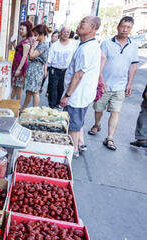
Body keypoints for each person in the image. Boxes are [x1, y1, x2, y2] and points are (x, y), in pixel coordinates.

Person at [87, 16, 139, 151]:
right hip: (104, 84)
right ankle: (97, 124)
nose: (125, 29)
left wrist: (129, 84)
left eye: (128, 27)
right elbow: (99, 63)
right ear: (118, 27)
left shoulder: (133, 46)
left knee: (115, 111)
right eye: (123, 26)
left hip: (120, 86)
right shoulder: (106, 43)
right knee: (98, 108)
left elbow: (133, 66)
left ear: (131, 29)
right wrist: (101, 81)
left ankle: (109, 138)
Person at [60, 16, 102, 159]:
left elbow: (78, 75)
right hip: (83, 93)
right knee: (79, 121)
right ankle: (81, 143)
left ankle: (74, 150)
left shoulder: (87, 49)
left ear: (93, 28)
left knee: (73, 124)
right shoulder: (87, 44)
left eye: (83, 23)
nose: (79, 25)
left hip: (78, 94)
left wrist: (67, 95)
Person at [45, 27, 77, 109]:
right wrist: (45, 70)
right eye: (64, 32)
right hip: (54, 69)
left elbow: (75, 58)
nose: (66, 34)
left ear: (69, 34)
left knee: (61, 87)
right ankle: (52, 105)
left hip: (66, 70)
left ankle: (58, 103)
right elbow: (49, 58)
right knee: (53, 87)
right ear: (60, 33)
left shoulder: (72, 45)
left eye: (68, 32)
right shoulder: (55, 45)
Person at [21, 24, 50, 111]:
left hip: (36, 69)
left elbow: (32, 55)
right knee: (29, 91)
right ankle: (23, 108)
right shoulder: (41, 44)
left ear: (41, 34)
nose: (34, 36)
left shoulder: (43, 45)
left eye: (36, 34)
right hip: (34, 68)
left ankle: (35, 111)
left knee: (35, 92)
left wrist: (33, 44)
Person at [10, 21, 33, 101]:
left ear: (27, 30)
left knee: (18, 87)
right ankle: (11, 102)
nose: (20, 31)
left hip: (21, 66)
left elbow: (24, 56)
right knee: (15, 86)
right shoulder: (23, 40)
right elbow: (18, 50)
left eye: (22, 29)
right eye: (20, 29)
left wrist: (19, 69)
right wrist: (13, 44)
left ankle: (17, 105)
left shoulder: (26, 42)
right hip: (17, 64)